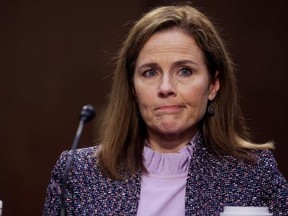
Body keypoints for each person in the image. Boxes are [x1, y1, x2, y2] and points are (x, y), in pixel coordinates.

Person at [43, 4, 288, 216]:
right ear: (132, 88)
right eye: (150, 72)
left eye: (185, 71)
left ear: (214, 85)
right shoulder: (78, 174)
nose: (166, 87)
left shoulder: (253, 174)